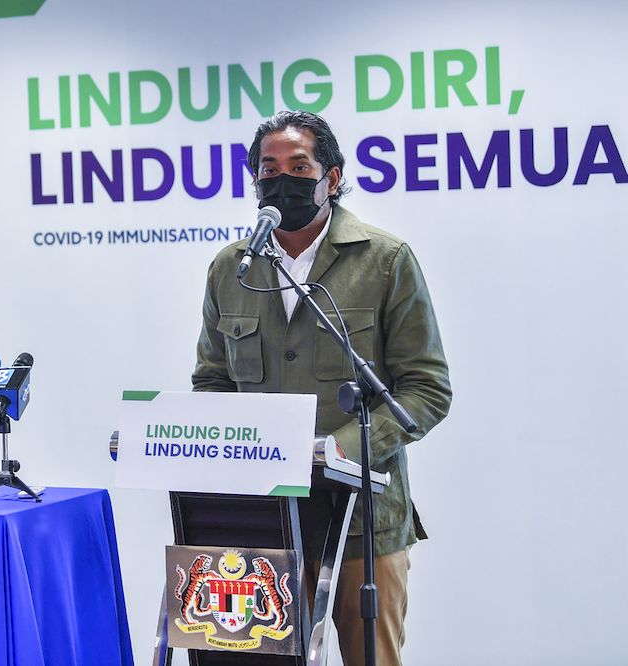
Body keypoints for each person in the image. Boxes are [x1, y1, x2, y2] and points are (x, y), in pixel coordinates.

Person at [192, 110, 451, 666]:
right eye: (269, 169)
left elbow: (425, 389)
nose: (282, 179)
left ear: (331, 178)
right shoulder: (228, 268)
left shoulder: (385, 261)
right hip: (259, 522)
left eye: (299, 166)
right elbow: (212, 380)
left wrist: (338, 451)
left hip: (363, 519)